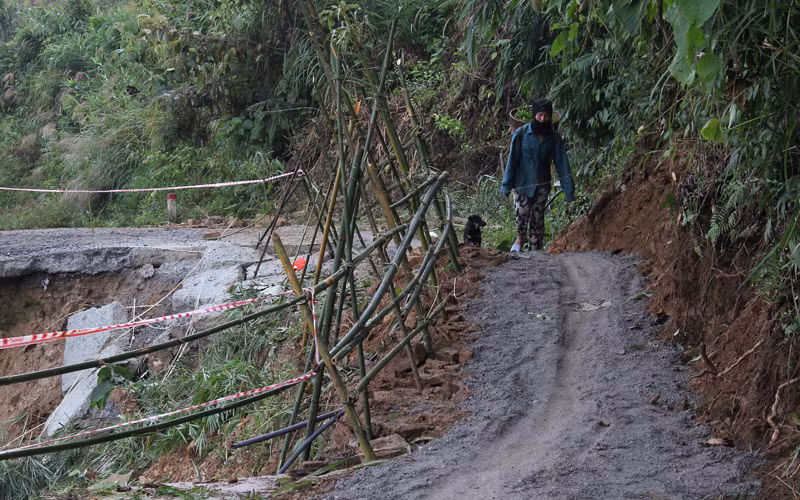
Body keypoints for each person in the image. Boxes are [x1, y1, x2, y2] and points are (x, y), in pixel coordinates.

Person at [501, 98, 575, 256]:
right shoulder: (521, 134)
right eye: (539, 115)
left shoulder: (554, 138)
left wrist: (569, 190)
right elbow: (512, 161)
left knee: (537, 218)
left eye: (546, 116)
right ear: (534, 115)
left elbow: (562, 164)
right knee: (522, 215)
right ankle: (519, 241)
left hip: (542, 185)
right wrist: (506, 186)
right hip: (522, 184)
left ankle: (536, 254)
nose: (542, 119)